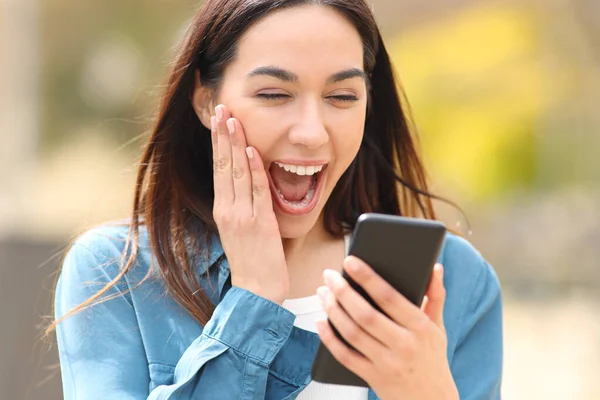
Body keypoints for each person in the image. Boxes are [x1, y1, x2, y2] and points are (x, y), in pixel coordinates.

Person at [49, 0, 503, 399]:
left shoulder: (457, 281)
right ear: (207, 102)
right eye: (274, 94)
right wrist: (252, 301)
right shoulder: (118, 273)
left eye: (342, 96)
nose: (311, 132)